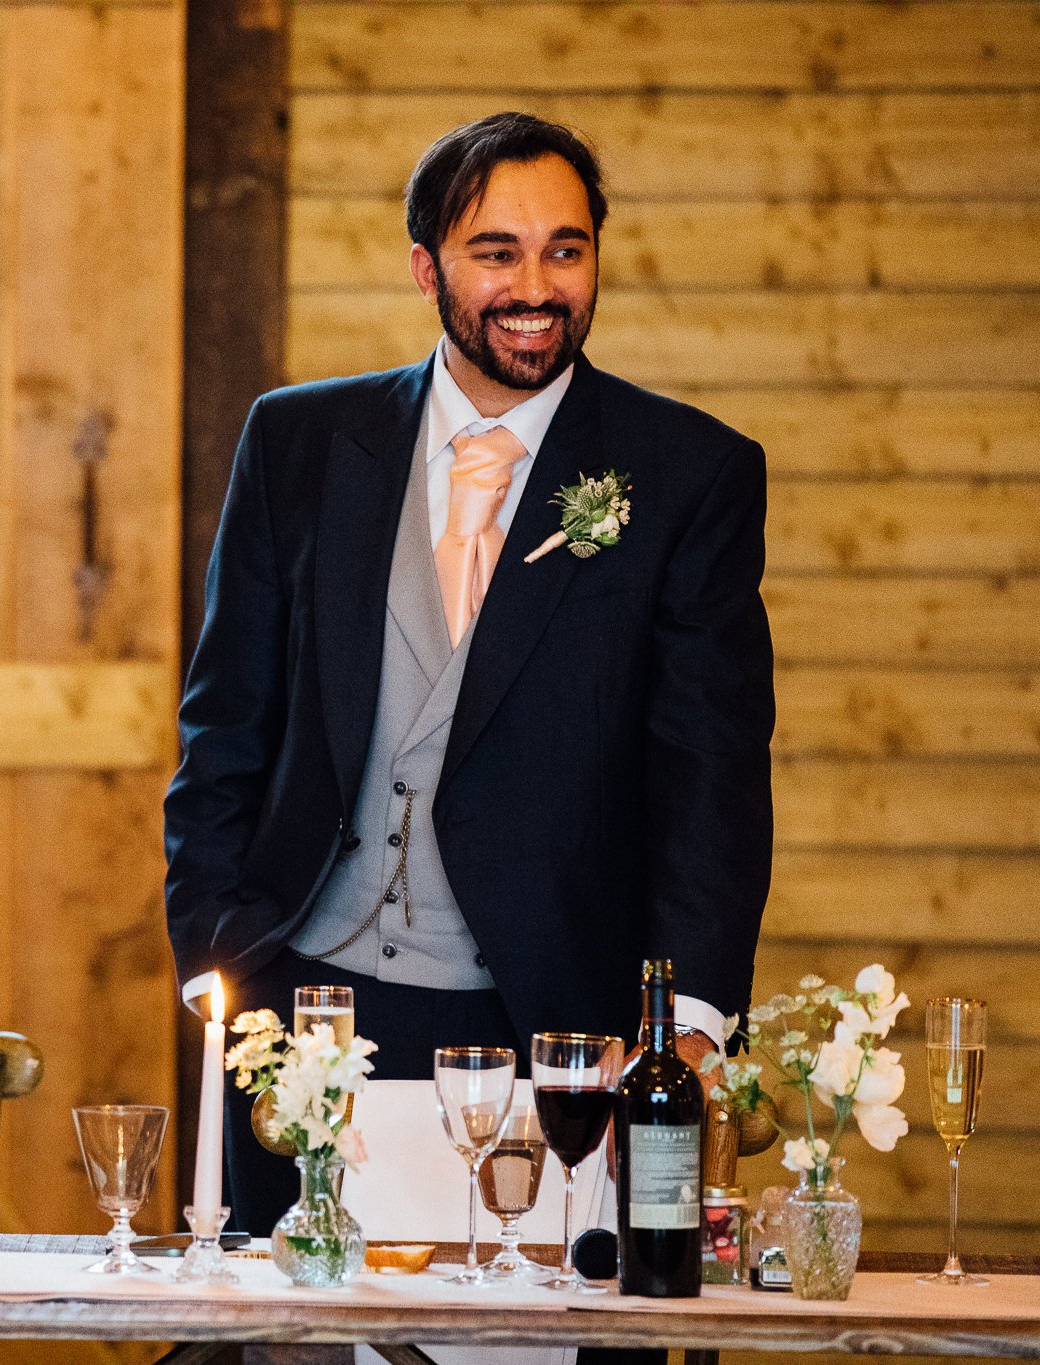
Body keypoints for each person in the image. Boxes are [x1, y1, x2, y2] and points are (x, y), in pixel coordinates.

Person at [164, 112, 774, 1235]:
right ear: (424, 267)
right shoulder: (297, 442)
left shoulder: (689, 474)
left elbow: (710, 774)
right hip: (304, 999)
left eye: (564, 248)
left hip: (553, 1013)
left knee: (522, 1338)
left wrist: (681, 1027)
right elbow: (225, 730)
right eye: (495, 252)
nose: (534, 284)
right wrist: (219, 948)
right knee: (299, 1335)